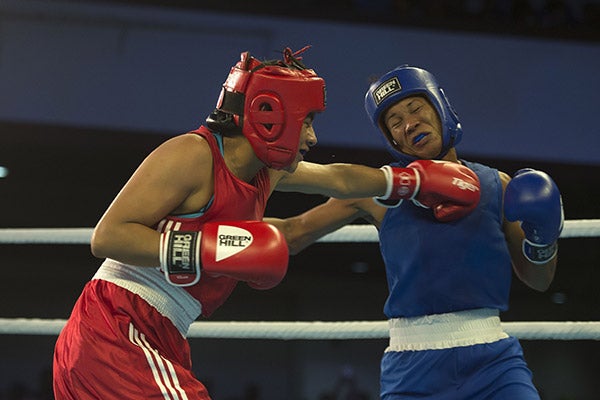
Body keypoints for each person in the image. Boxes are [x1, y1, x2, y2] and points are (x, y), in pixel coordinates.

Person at [52, 49, 481, 400]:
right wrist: (208, 247)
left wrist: (411, 179)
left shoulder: (265, 170)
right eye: (308, 121)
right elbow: (107, 236)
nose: (312, 138)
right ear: (271, 114)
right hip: (115, 330)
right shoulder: (193, 155)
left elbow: (339, 178)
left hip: (158, 335)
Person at [267, 65, 564, 399]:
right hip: (413, 368)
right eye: (395, 122)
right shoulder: (380, 191)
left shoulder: (498, 185)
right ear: (392, 139)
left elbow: (540, 280)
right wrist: (212, 226)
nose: (409, 124)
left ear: (440, 108)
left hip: (493, 362)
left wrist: (543, 239)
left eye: (415, 109)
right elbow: (293, 233)